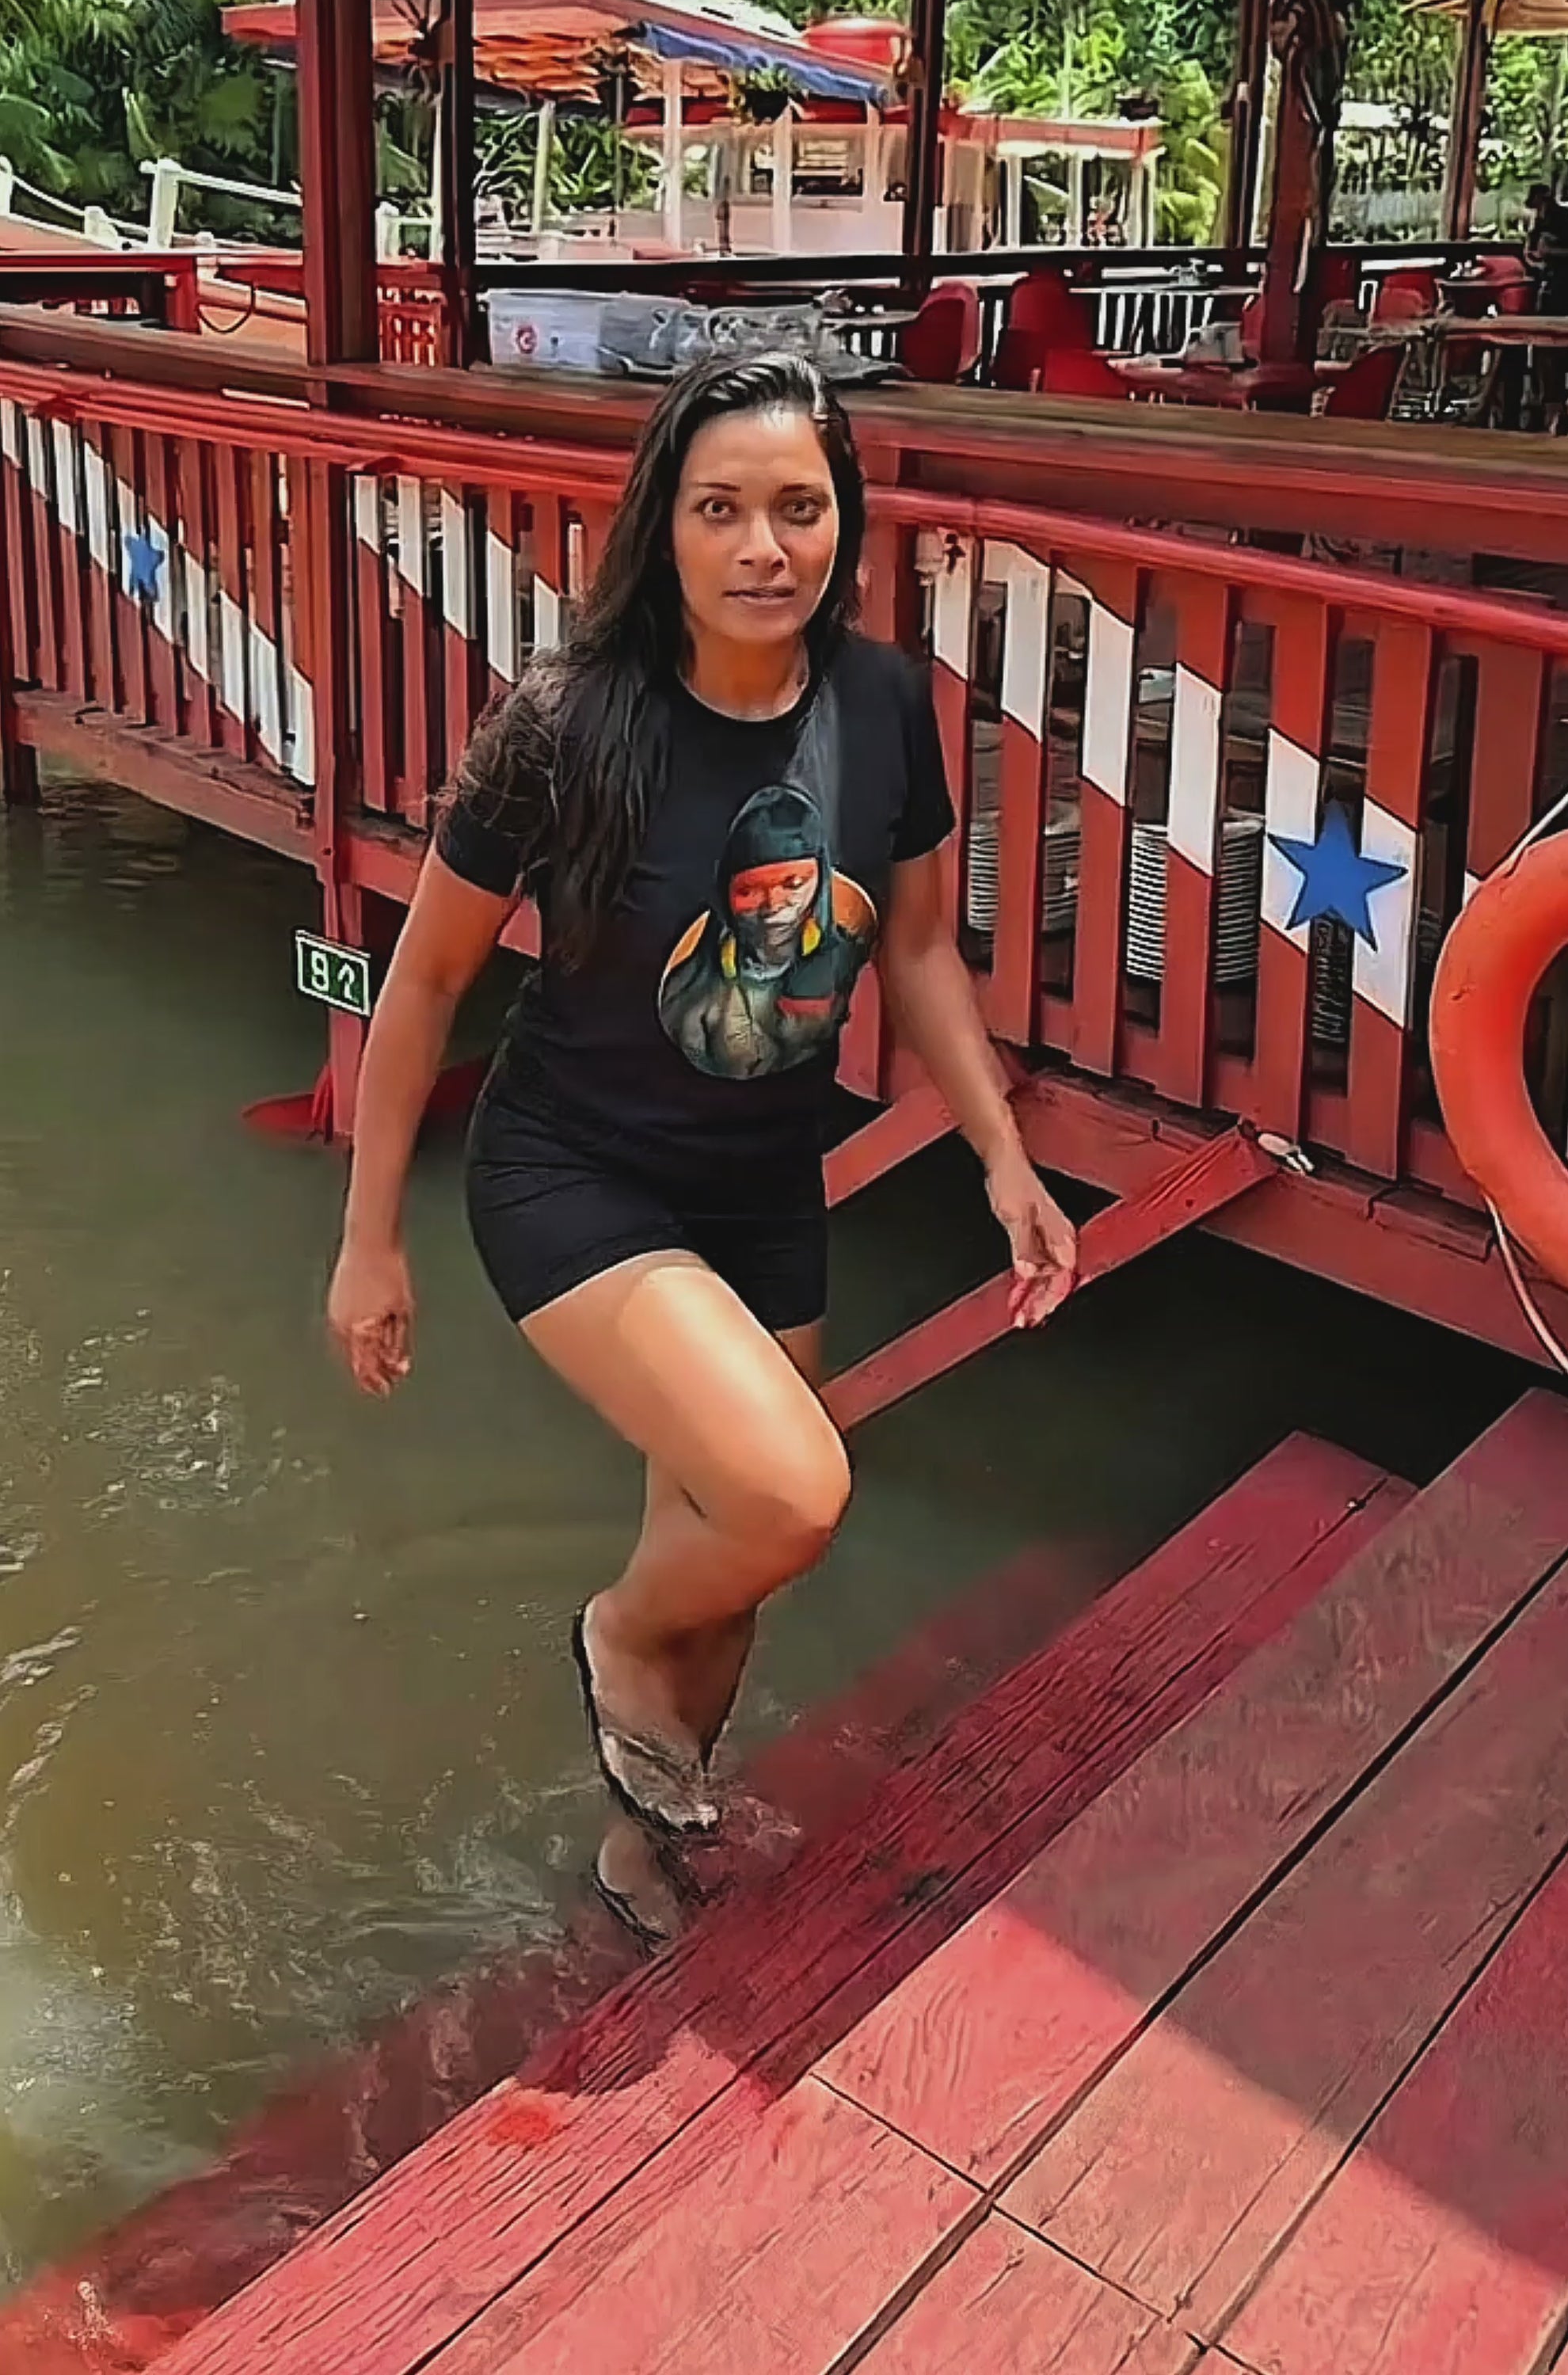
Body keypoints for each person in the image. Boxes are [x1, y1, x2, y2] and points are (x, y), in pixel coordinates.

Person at [325, 349, 1075, 1943]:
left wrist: (1001, 1157)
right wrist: (369, 1236)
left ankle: (640, 1847)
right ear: (661, 523)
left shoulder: (882, 705)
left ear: (843, 521)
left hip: (762, 1177)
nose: (761, 548)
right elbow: (428, 979)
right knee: (788, 1494)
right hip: (570, 1168)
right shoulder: (564, 721)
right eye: (719, 508)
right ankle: (610, 1631)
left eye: (797, 508)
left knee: (731, 1556)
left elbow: (917, 950)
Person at [1523, 183, 1568, 427]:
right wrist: (1536, 258)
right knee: (1544, 343)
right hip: (1550, 283)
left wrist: (1553, 252)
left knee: (1566, 340)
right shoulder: (1539, 222)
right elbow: (1533, 252)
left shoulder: (1563, 219)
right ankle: (1547, 402)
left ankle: (1565, 402)